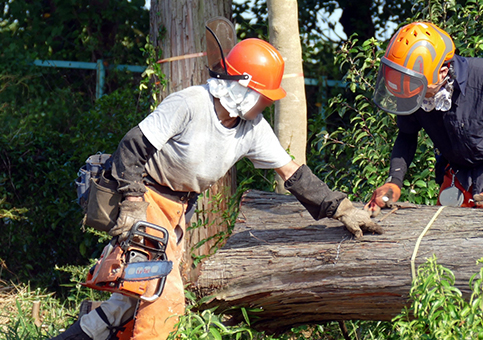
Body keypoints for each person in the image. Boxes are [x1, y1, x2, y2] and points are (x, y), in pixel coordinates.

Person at [52, 38, 381, 340]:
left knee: (128, 300)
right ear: (243, 87)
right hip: (147, 197)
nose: (264, 105)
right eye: (263, 98)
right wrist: (133, 199)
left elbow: (291, 172)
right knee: (160, 292)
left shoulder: (253, 129)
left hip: (177, 210)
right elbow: (133, 146)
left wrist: (342, 208)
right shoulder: (190, 104)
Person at [365, 22, 483, 215]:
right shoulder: (414, 87)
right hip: (461, 179)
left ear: (442, 72)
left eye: (420, 90)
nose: (415, 95)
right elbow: (407, 136)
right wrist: (394, 181)